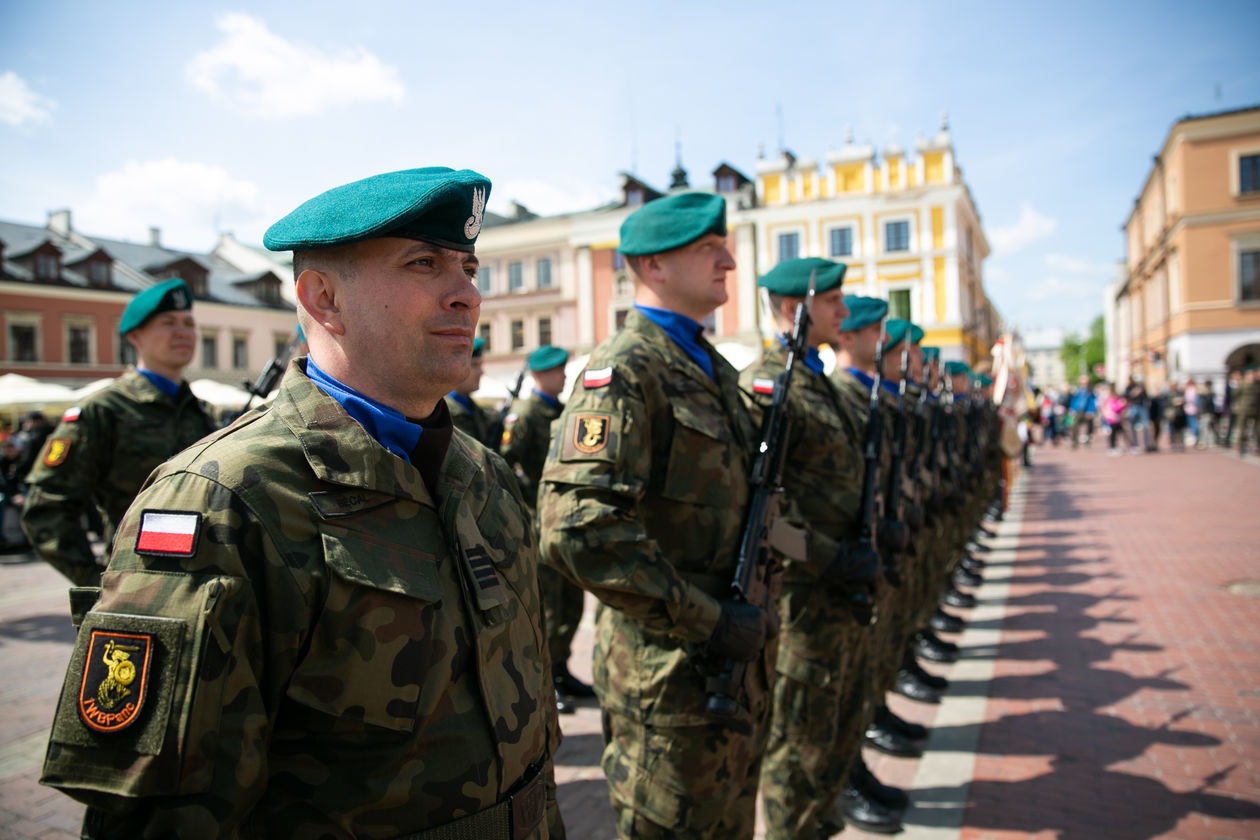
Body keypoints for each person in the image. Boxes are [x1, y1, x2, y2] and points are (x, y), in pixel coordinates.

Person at [40, 167, 565, 839]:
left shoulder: (483, 473)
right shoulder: (223, 500)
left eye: (468, 267)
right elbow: (159, 818)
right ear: (323, 299)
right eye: (424, 264)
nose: (467, 294)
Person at [537, 192, 775, 839]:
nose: (728, 259)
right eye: (707, 247)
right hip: (668, 684)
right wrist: (710, 620)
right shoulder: (624, 371)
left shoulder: (712, 369)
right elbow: (577, 531)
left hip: (735, 672)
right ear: (652, 265)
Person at [740, 259, 881, 840]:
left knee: (832, 732)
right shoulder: (768, 383)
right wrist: (829, 557)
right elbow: (763, 516)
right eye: (833, 302)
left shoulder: (813, 376)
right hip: (800, 599)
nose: (844, 313)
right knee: (797, 747)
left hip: (837, 593)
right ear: (796, 308)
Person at [21, 278, 216, 589]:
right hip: (134, 583)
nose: (183, 332)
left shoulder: (202, 412)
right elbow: (46, 508)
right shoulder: (103, 411)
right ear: (134, 335)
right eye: (168, 322)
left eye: (188, 323)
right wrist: (96, 586)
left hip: (203, 584)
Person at [500, 344, 594, 710]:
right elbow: (504, 465)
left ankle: (562, 669)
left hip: (567, 522)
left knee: (571, 603)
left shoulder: (562, 411)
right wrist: (530, 503)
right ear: (540, 374)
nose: (565, 376)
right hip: (541, 524)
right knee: (548, 607)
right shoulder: (525, 415)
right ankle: (546, 680)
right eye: (558, 371)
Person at [445, 335, 497, 444]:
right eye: (474, 365)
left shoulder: (477, 411)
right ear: (454, 367)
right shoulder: (441, 413)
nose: (481, 372)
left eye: (480, 365)